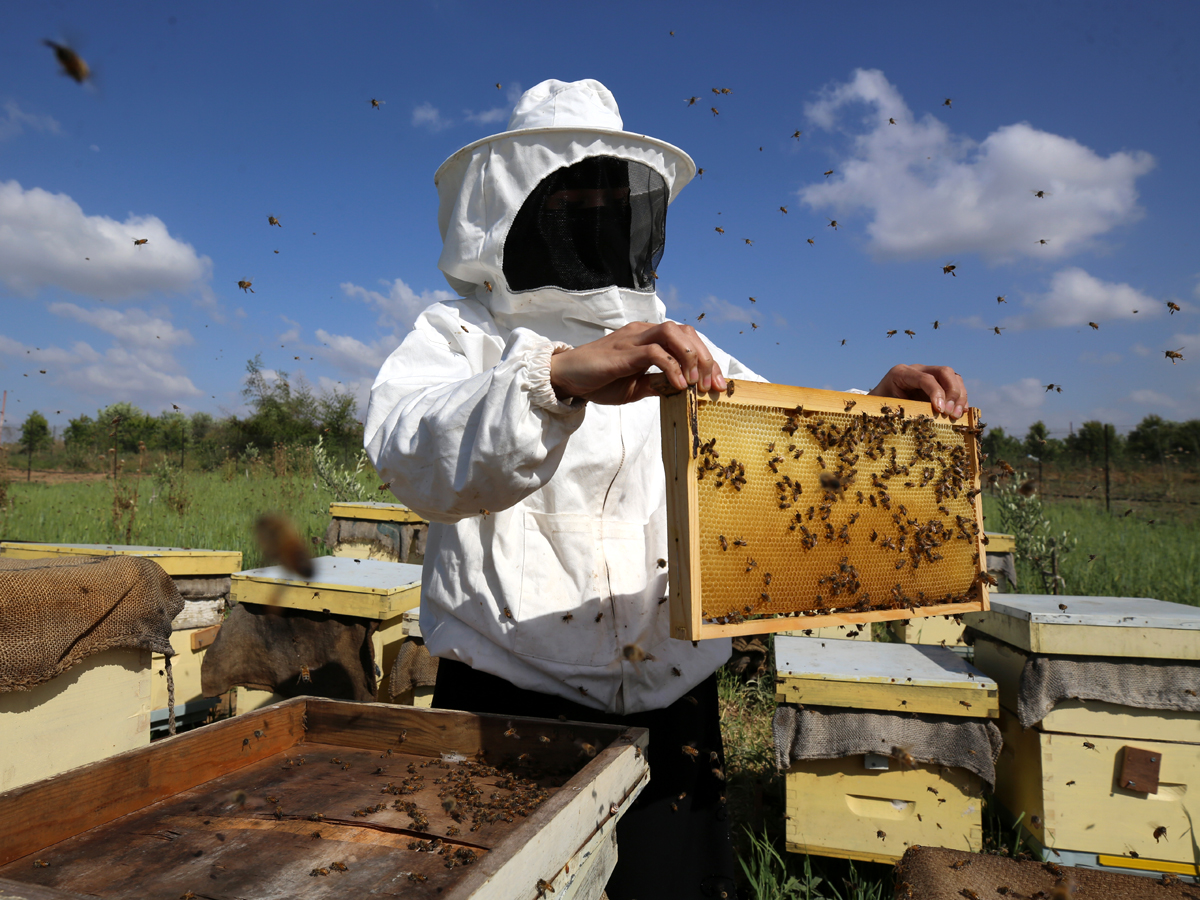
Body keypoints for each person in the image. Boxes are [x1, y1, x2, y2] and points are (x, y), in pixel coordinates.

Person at [365, 78, 968, 900]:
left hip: (676, 707)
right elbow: (407, 453)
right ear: (516, 206)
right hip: (509, 703)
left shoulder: (683, 349)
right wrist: (555, 379)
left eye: (613, 199)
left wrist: (874, 425)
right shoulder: (460, 336)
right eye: (570, 196)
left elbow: (783, 471)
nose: (596, 215)